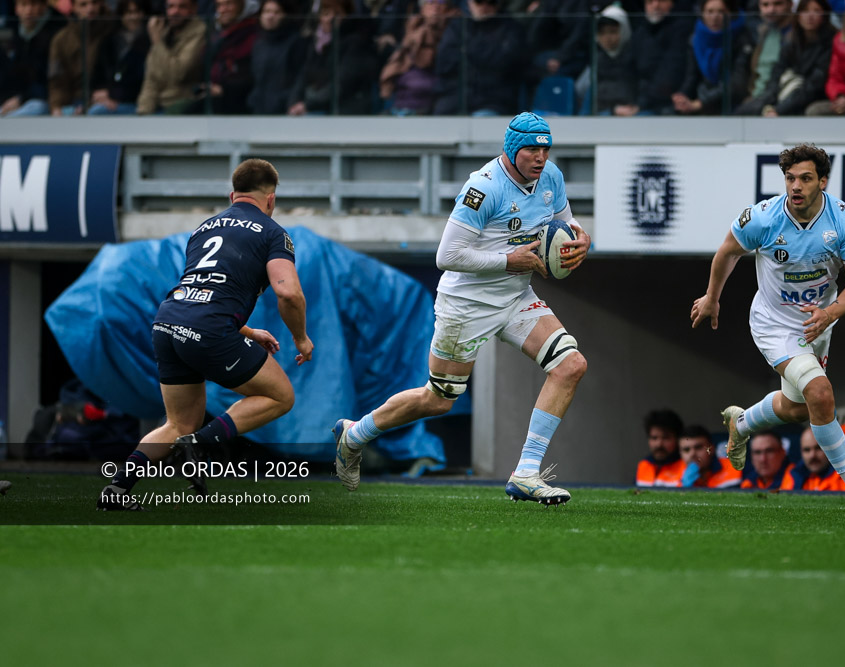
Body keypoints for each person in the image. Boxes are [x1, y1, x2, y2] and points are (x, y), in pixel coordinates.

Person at [331, 112, 591, 505]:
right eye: (531, 149)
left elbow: (564, 226)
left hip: (516, 297)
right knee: (438, 399)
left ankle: (525, 473)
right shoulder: (483, 188)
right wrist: (508, 260)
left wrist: (581, 241)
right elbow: (446, 255)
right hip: (466, 305)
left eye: (544, 149)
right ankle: (354, 435)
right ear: (511, 148)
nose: (539, 157)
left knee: (571, 365)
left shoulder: (550, 176)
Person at [97, 159, 314, 510]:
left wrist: (246, 330)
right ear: (271, 200)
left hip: (168, 323)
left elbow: (203, 292)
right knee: (280, 396)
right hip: (207, 329)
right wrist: (301, 338)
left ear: (232, 195)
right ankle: (199, 442)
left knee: (176, 422)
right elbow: (288, 293)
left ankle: (117, 490)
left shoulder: (204, 228)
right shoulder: (274, 233)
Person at [691, 143, 845, 514]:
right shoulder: (764, 217)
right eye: (790, 178)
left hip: (818, 323)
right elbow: (728, 251)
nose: (795, 186)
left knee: (800, 409)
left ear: (823, 182)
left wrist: (831, 313)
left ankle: (742, 422)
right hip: (774, 323)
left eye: (806, 178)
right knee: (821, 393)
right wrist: (712, 297)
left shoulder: (843, 221)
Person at [735, 0, 835, 117]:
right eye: (805, 11)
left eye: (816, 11)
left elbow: (812, 86)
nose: (810, 16)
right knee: (743, 111)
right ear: (798, 15)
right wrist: (765, 102)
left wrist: (779, 109)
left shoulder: (831, 43)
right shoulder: (791, 41)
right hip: (781, 96)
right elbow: (776, 75)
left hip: (807, 99)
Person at [432, 0, 525, 116]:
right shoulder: (457, 26)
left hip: (492, 101)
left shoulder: (510, 28)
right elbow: (444, 64)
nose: (484, 7)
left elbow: (504, 64)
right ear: (469, 2)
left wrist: (466, 53)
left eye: (491, 3)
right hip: (454, 98)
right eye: (479, 2)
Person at [288, 0, 378, 116]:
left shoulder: (355, 43)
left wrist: (307, 105)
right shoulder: (316, 44)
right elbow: (303, 77)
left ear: (346, 17)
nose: (330, 18)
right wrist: (294, 102)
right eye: (326, 13)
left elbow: (341, 85)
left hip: (346, 113)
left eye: (336, 14)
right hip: (316, 107)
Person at [672, 0, 754, 115]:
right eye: (709, 12)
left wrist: (700, 103)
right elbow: (692, 77)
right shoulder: (696, 39)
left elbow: (737, 84)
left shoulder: (743, 38)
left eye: (721, 12)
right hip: (702, 100)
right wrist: (682, 96)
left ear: (731, 13)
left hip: (733, 105)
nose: (715, 17)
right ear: (702, 13)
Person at [379, 0, 457, 115]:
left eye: (440, 2)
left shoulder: (454, 28)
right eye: (430, 2)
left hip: (430, 102)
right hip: (402, 100)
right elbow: (397, 64)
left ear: (448, 7)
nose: (435, 7)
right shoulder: (412, 26)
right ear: (422, 8)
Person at [184, 0, 257, 114]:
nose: (223, 9)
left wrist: (224, 89)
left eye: (229, 4)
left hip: (239, 102)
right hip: (211, 97)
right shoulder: (215, 34)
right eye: (219, 5)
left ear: (241, 5)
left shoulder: (253, 33)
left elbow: (250, 75)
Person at [135, 0, 206, 114]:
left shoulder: (200, 33)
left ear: (193, 9)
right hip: (156, 106)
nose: (174, 12)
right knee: (101, 112)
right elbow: (151, 80)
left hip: (182, 106)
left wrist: (157, 43)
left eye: (182, 7)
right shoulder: (164, 33)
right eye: (170, 6)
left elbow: (178, 73)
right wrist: (143, 113)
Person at [47, 0, 116, 115]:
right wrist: (56, 106)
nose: (90, 9)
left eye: (94, 3)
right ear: (73, 7)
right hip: (72, 100)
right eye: (83, 4)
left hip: (101, 99)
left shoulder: (111, 31)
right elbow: (56, 79)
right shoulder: (61, 39)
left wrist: (111, 93)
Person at [0, 0, 64, 116]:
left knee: (37, 107)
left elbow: (53, 81)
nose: (29, 11)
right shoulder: (10, 32)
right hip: (8, 101)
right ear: (16, 8)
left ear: (44, 7)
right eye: (24, 5)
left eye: (33, 4)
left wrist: (21, 99)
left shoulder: (57, 33)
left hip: (39, 101)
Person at [631, 0, 694, 115]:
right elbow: (630, 72)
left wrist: (641, 104)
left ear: (672, 3)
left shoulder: (682, 29)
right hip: (643, 102)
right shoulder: (640, 33)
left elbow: (671, 72)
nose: (655, 5)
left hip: (668, 104)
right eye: (650, 2)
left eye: (661, 0)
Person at [573, 3, 637, 116]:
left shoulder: (635, 59)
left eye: (612, 32)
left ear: (624, 30)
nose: (607, 38)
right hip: (603, 114)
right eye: (602, 33)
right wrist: (613, 110)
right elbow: (582, 92)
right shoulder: (597, 61)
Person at [87, 0, 151, 114]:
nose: (134, 17)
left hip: (138, 101)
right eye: (129, 12)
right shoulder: (109, 41)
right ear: (121, 15)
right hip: (112, 101)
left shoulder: (151, 40)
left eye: (138, 12)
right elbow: (98, 75)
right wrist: (101, 92)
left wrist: (112, 94)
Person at [247, 0, 306, 115]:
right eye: (267, 11)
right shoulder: (259, 43)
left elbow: (299, 78)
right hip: (258, 110)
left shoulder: (296, 42)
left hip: (284, 110)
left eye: (276, 12)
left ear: (286, 15)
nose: (270, 16)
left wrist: (286, 101)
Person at [781, 426, 845, 491]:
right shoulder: (793, 474)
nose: (812, 455)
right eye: (807, 450)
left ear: (831, 448)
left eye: (818, 448)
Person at [738, 0, 794, 110]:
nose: (771, 10)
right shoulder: (763, 32)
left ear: (790, 4)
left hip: (778, 100)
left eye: (778, 4)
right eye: (765, 5)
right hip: (757, 96)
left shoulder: (796, 34)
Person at [668, 424, 742, 488]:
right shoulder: (670, 473)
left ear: (711, 449)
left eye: (698, 447)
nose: (692, 454)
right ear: (680, 453)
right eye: (686, 450)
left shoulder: (735, 467)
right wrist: (683, 488)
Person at [635, 408, 684, 486]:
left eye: (665, 438)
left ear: (678, 439)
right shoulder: (644, 465)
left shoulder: (685, 467)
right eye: (654, 438)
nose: (659, 444)